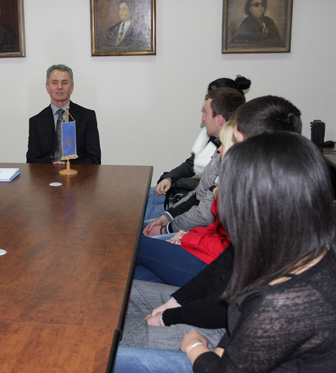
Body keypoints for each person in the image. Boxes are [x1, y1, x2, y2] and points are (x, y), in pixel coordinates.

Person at [115, 132, 336, 372]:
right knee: (115, 304)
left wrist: (194, 347)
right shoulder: (302, 251)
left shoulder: (284, 301)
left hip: (207, 354)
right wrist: (174, 307)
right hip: (224, 342)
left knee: (105, 345)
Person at [134, 122, 236, 286]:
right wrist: (172, 222)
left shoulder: (240, 190)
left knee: (132, 243)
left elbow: (221, 241)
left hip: (207, 267)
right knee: (135, 275)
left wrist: (184, 236)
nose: (218, 149)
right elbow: (212, 225)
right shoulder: (225, 171)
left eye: (223, 144)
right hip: (199, 247)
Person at [144, 76, 251, 222]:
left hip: (196, 210)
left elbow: (205, 194)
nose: (203, 116)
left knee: (141, 219)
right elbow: (192, 164)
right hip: (192, 202)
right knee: (146, 195)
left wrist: (175, 183)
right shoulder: (217, 138)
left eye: (207, 100)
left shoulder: (233, 149)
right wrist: (169, 177)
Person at [27, 64, 101, 165]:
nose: (60, 87)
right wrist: (52, 167)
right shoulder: (36, 121)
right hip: (47, 176)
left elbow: (94, 158)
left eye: (65, 83)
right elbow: (32, 160)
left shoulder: (87, 117)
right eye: (54, 83)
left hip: (78, 176)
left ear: (72, 87)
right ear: (47, 87)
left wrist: (68, 167)